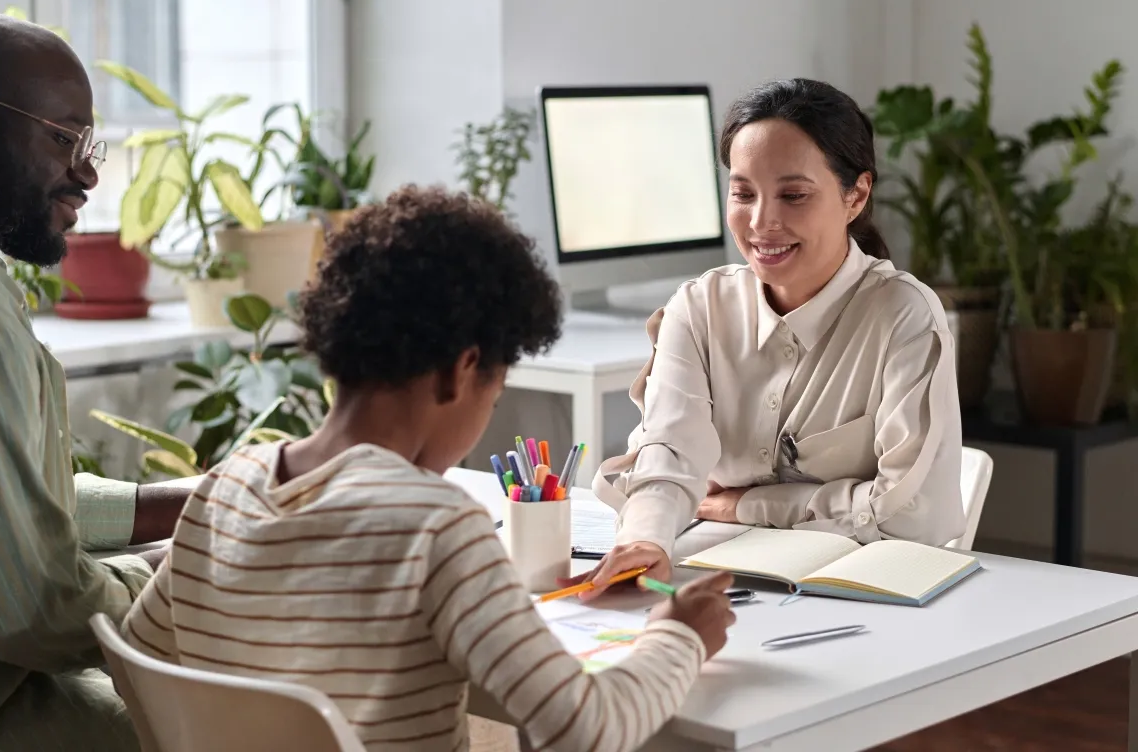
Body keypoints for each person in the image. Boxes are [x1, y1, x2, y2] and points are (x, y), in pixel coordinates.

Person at [122, 185, 737, 752]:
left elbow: (138, 652)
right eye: (495, 391)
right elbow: (587, 728)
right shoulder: (437, 527)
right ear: (460, 373)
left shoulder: (226, 485)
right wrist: (679, 636)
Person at [573, 78, 966, 599]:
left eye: (793, 195)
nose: (761, 222)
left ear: (856, 195)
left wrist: (746, 505)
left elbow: (911, 517)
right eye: (743, 193)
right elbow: (668, 451)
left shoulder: (903, 314)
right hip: (720, 576)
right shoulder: (699, 307)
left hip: (865, 594)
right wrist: (646, 540)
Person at [0, 11, 191, 751]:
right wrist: (199, 570)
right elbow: (32, 609)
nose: (87, 174)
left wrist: (178, 505)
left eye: (88, 146)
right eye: (62, 139)